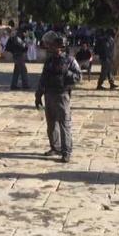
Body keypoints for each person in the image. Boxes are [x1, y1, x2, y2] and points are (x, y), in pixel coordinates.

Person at [35, 31, 82, 163]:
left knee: (64, 124)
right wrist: (38, 95)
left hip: (62, 96)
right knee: (51, 124)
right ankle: (55, 147)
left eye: (52, 45)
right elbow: (43, 79)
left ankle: (66, 152)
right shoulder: (49, 61)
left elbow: (79, 77)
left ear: (60, 46)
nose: (50, 47)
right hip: (49, 95)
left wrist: (66, 73)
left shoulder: (69, 60)